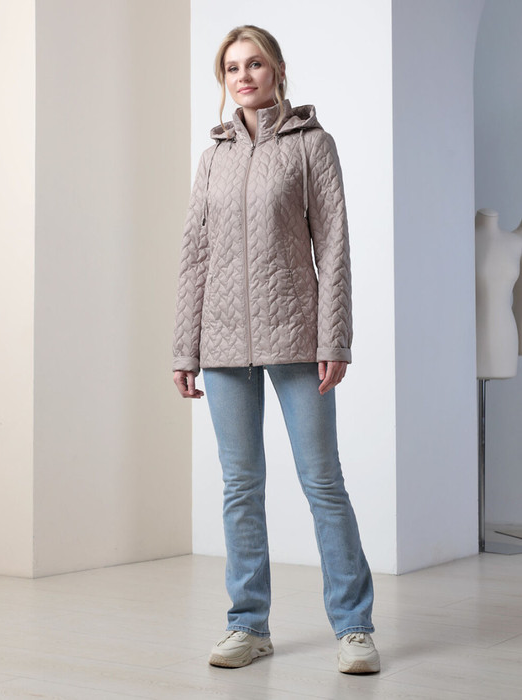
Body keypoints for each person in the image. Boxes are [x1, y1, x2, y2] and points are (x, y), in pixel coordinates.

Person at [172, 24, 379, 675]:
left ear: (278, 71)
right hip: (221, 344)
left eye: (254, 63)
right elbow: (195, 255)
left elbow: (334, 246)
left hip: (296, 337)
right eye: (232, 67)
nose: (243, 76)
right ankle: (247, 625)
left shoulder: (312, 145)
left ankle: (354, 628)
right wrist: (184, 348)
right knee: (240, 487)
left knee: (322, 482)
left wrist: (334, 337)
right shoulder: (213, 156)